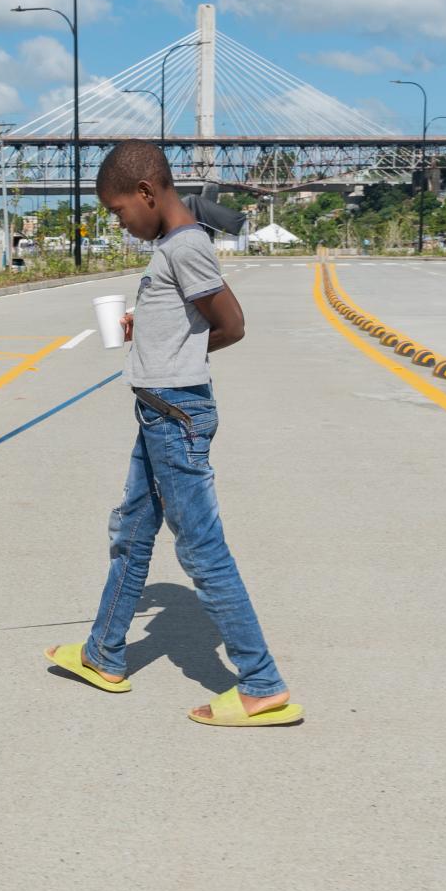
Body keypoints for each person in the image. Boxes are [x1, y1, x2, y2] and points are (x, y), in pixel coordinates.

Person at [43, 140, 302, 728]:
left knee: (201, 549)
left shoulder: (187, 246)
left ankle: (261, 682)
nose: (120, 222)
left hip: (176, 416)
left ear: (146, 193)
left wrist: (178, 350)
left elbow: (230, 325)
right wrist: (155, 331)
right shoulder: (171, 247)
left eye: (118, 212)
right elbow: (186, 321)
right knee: (132, 534)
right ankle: (103, 652)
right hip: (158, 412)